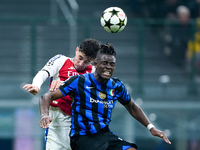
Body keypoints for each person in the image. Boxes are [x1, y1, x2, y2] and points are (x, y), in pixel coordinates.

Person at [39, 43, 171, 150]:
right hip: (82, 138)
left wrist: (151, 128)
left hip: (104, 135)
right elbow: (46, 96)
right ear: (95, 64)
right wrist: (45, 115)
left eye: (112, 64)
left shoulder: (116, 85)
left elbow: (131, 106)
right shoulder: (79, 81)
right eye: (104, 63)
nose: (108, 67)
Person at [23, 38, 101, 150]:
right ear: (76, 50)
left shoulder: (93, 72)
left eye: (86, 61)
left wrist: (65, 84)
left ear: (93, 60)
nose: (81, 63)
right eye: (80, 58)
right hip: (56, 121)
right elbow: (44, 72)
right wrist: (36, 85)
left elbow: (94, 96)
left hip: (80, 123)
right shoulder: (60, 60)